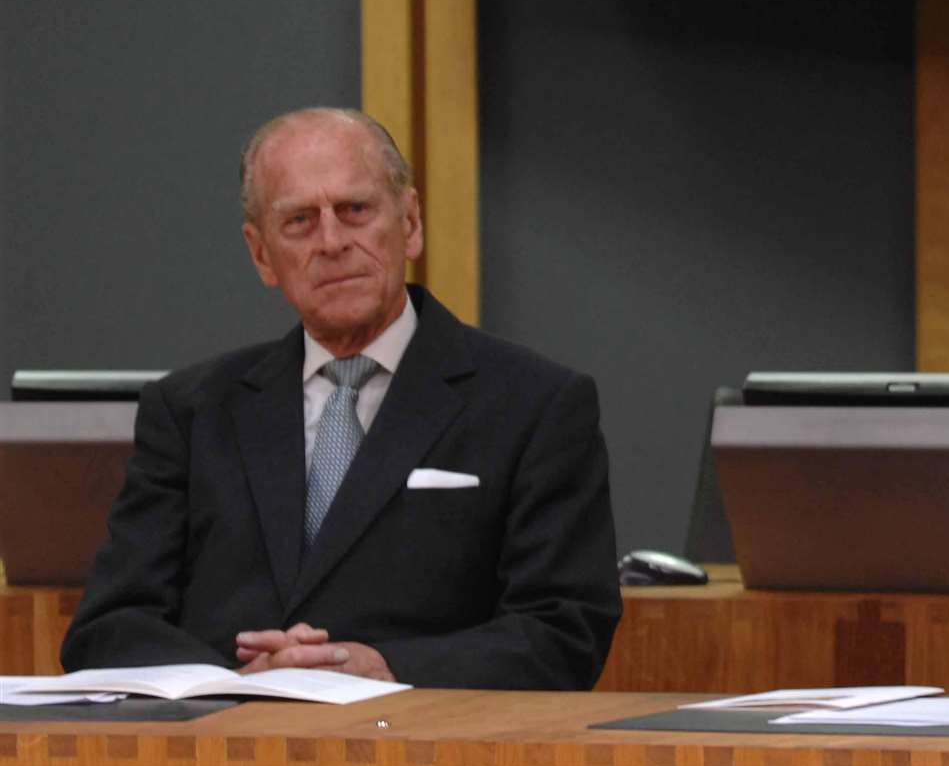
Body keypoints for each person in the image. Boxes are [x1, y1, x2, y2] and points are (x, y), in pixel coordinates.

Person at [62, 108, 620, 690]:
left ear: (410, 222)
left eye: (355, 210)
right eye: (300, 221)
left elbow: (565, 634)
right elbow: (108, 628)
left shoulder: (536, 404)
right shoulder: (190, 411)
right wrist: (245, 678)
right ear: (260, 254)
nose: (331, 242)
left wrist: (380, 668)